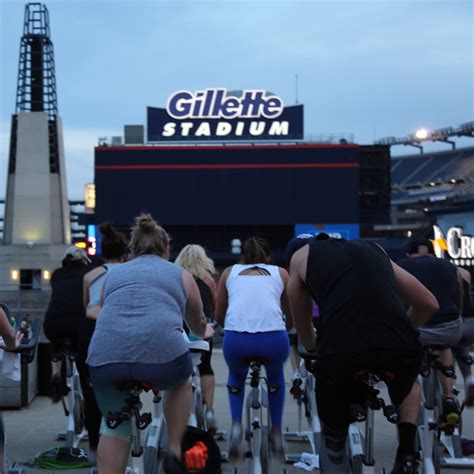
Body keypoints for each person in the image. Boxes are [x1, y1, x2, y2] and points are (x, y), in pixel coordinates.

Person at [288, 238, 438, 474]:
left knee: (334, 410)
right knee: (409, 382)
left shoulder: (300, 257)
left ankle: (336, 447)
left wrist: (311, 344)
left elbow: (300, 315)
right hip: (395, 344)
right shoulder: (375, 251)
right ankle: (407, 453)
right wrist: (403, 331)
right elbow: (429, 303)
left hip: (342, 348)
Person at [87, 213, 213, 474]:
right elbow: (197, 323)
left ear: (132, 249)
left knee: (113, 428)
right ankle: (175, 448)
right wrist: (205, 329)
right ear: (167, 249)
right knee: (181, 382)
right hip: (162, 360)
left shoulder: (113, 276)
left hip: (105, 358)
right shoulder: (180, 275)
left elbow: (104, 307)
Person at [215, 236, 292, 457]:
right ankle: (276, 431)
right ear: (268, 257)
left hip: (237, 340)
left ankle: (237, 425)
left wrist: (228, 326)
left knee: (236, 378)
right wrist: (287, 328)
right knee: (276, 378)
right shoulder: (281, 273)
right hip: (273, 340)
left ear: (241, 257)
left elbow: (220, 314)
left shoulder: (229, 273)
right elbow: (289, 314)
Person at [397, 239, 464, 418]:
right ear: (432, 252)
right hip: (450, 329)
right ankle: (449, 395)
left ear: (409, 253)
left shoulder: (401, 266)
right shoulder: (449, 265)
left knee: (406, 359)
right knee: (444, 346)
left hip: (417, 331)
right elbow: (459, 297)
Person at [79, 223, 128, 463]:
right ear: (124, 253)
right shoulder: (130, 272)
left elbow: (88, 307)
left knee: (90, 393)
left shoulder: (90, 275)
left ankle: (92, 445)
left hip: (93, 334)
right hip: (124, 334)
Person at [175, 244, 219, 433]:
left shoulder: (177, 278)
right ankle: (209, 411)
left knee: (182, 370)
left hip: (181, 328)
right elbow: (215, 305)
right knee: (206, 366)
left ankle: (186, 412)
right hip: (203, 327)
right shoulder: (208, 279)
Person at [455, 267, 474, 406]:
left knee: (441, 347)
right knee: (459, 345)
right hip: (470, 322)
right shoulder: (463, 272)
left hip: (451, 323)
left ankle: (447, 394)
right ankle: (469, 380)